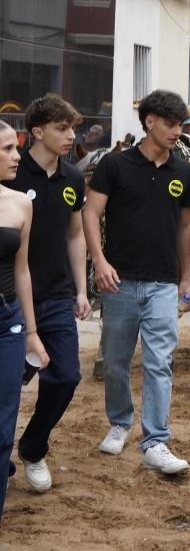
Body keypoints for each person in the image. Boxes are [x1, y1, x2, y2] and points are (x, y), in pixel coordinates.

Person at [84, 90, 190, 474]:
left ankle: (156, 440)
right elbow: (90, 213)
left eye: (180, 125)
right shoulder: (114, 166)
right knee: (116, 361)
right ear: (149, 121)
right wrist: (98, 261)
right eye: (170, 124)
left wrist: (186, 279)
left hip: (164, 284)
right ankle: (120, 421)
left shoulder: (184, 172)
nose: (177, 132)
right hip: (119, 282)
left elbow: (188, 226)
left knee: (159, 362)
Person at [5, 96, 86, 494]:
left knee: (67, 376)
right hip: (10, 299)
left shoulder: (73, 178)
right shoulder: (11, 175)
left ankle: (33, 447)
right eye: (61, 128)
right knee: (7, 384)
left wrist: (82, 289)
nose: (71, 136)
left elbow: (75, 234)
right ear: (37, 132)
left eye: (72, 128)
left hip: (55, 297)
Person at [0, 119, 45, 520]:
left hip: (7, 323)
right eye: (7, 150)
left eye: (17, 148)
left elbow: (22, 271)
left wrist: (31, 332)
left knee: (2, 429)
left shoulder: (20, 202)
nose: (17, 157)